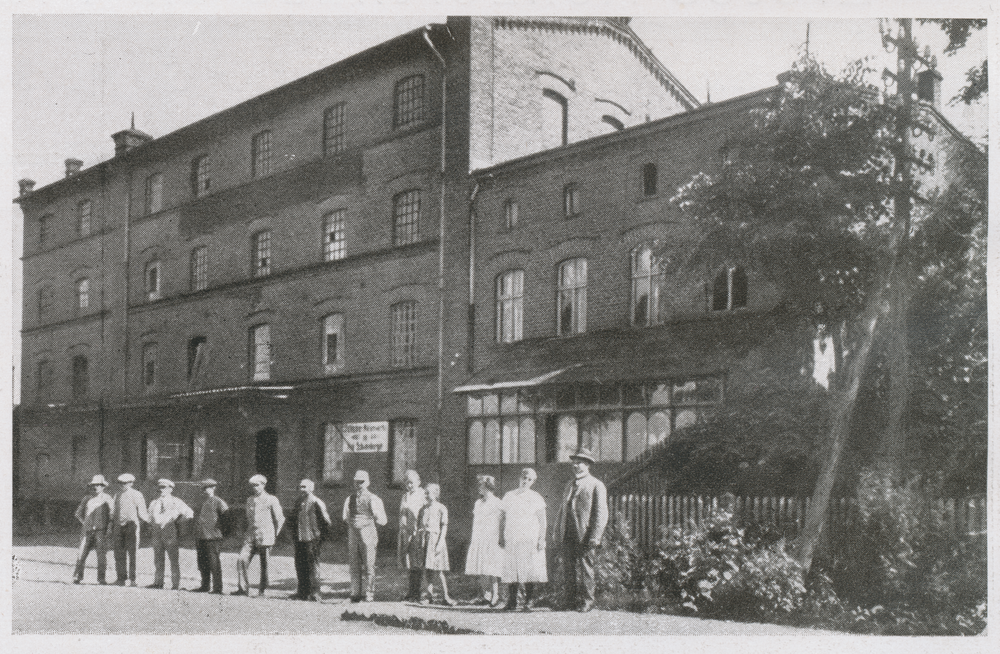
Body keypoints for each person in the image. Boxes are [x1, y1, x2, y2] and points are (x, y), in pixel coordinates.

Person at [555, 446, 609, 612]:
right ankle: (569, 601)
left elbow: (601, 513)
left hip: (585, 534)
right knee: (568, 569)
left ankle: (587, 601)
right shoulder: (569, 485)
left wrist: (596, 536)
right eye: (574, 463)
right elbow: (562, 509)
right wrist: (557, 530)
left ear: (588, 465)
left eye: (580, 463)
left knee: (586, 568)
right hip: (568, 533)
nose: (576, 466)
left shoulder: (596, 485)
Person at [499, 468, 548, 611]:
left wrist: (541, 538)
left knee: (529, 568)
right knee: (512, 568)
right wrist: (501, 536)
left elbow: (542, 521)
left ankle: (529, 601)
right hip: (512, 537)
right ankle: (512, 601)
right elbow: (502, 518)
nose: (525, 481)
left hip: (529, 538)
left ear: (533, 482)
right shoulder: (509, 496)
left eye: (529, 479)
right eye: (524, 478)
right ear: (520, 477)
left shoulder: (536, 497)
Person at [234, 474, 285, 597]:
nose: (254, 488)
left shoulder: (271, 499)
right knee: (241, 560)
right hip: (251, 536)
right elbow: (248, 518)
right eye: (252, 486)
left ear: (263, 485)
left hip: (265, 536)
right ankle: (243, 588)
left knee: (265, 565)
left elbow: (280, 518)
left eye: (257, 485)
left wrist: (274, 534)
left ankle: (263, 590)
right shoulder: (250, 500)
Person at [342, 470, 387, 602]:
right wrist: (353, 523)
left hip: (368, 533)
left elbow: (382, 520)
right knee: (354, 564)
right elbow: (345, 516)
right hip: (353, 533)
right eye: (356, 481)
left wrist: (368, 522)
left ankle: (369, 592)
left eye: (361, 482)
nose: (358, 484)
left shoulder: (373, 499)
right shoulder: (349, 498)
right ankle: (355, 592)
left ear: (367, 482)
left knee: (369, 563)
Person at [147, 478, 194, 590]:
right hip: (157, 533)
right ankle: (158, 582)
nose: (161, 490)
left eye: (164, 488)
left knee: (173, 559)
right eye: (160, 488)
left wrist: (177, 521)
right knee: (158, 559)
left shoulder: (175, 501)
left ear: (170, 489)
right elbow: (149, 518)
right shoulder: (154, 502)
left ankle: (175, 584)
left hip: (170, 532)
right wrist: (152, 526)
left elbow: (189, 513)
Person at [289, 478, 331, 601]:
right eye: (300, 487)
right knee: (300, 564)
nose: (301, 489)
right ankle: (302, 592)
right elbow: (292, 518)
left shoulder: (316, 502)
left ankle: (315, 592)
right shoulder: (298, 502)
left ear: (311, 488)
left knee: (313, 565)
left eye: (304, 487)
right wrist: (294, 535)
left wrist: (319, 538)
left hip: (312, 539)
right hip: (300, 539)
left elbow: (326, 521)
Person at [464, 474, 503, 606]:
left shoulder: (497, 502)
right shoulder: (478, 503)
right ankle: (486, 595)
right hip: (479, 537)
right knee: (481, 567)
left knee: (492, 568)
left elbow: (500, 521)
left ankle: (495, 595)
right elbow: (476, 522)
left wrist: (499, 538)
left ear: (488, 487)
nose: (479, 488)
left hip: (491, 538)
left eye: (481, 485)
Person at [417, 483, 455, 606]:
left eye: (429, 493)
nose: (426, 495)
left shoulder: (441, 508)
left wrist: (439, 544)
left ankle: (446, 597)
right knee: (428, 570)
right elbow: (419, 526)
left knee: (439, 570)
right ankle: (429, 596)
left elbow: (444, 527)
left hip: (436, 540)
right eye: (425, 493)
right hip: (425, 540)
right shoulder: (423, 509)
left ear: (436, 494)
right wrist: (420, 538)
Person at [72, 474, 113, 585]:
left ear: (103, 486)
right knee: (81, 554)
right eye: (94, 485)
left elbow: (112, 515)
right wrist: (85, 523)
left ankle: (101, 578)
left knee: (101, 555)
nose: (96, 487)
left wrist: (108, 528)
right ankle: (77, 577)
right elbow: (78, 514)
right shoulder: (87, 498)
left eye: (99, 485)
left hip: (100, 531)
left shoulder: (107, 499)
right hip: (87, 531)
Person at [112, 472, 149, 587]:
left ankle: (133, 579)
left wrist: (146, 523)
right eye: (121, 483)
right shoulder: (117, 495)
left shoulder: (137, 494)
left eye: (125, 483)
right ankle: (121, 578)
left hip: (131, 526)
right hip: (118, 527)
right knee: (119, 553)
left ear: (131, 483)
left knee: (133, 553)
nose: (123, 485)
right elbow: (113, 512)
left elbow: (142, 512)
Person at [192, 478, 229, 594]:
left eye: (207, 488)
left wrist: (221, 532)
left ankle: (217, 588)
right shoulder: (200, 501)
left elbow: (227, 517)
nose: (204, 490)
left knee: (214, 563)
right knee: (202, 562)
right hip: (201, 536)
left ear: (213, 488)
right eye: (203, 488)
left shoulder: (218, 501)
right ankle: (205, 585)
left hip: (213, 537)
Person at [397, 469, 425, 601]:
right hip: (407, 532)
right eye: (407, 483)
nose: (409, 486)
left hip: (417, 532)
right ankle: (411, 591)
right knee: (410, 563)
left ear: (418, 482)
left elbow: (423, 514)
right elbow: (402, 513)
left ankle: (417, 592)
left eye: (412, 483)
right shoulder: (405, 495)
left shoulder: (423, 495)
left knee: (417, 562)